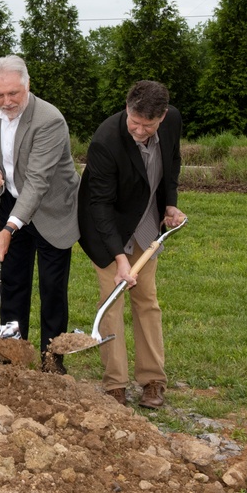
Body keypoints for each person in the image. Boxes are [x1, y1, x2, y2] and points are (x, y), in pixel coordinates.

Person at [78, 80, 186, 409]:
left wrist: (170, 204)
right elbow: (99, 205)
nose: (139, 130)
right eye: (134, 122)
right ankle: (115, 385)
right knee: (111, 302)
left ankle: (152, 380)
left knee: (146, 299)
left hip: (146, 223)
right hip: (105, 227)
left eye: (147, 126)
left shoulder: (172, 122)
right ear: (127, 109)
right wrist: (119, 258)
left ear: (162, 117)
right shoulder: (106, 140)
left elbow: (172, 163)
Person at [0, 55, 80, 374]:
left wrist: (8, 229)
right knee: (13, 282)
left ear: (27, 85)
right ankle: (13, 352)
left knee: (52, 289)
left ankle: (52, 359)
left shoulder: (49, 120)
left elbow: (37, 182)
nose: (5, 102)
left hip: (52, 210)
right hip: (12, 201)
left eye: (13, 94)